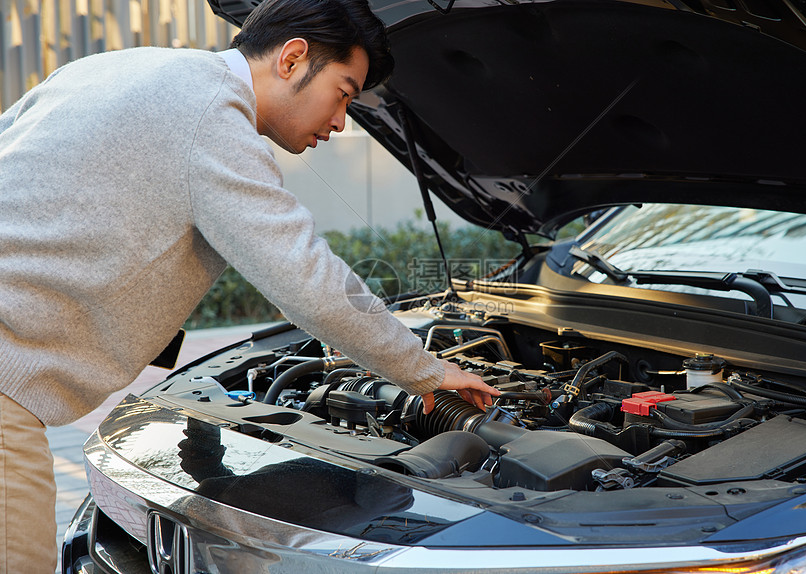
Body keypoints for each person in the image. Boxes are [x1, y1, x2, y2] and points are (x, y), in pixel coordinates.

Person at [0, 0, 499, 570]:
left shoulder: (114, 67)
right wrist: (425, 369)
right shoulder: (212, 116)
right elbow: (304, 275)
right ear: (292, 59)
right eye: (343, 93)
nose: (341, 121)